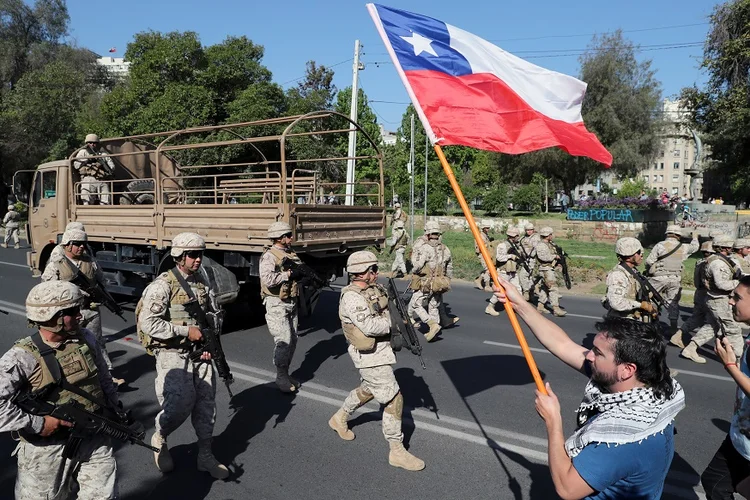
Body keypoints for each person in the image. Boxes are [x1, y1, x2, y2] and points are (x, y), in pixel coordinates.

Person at [493, 280, 685, 499]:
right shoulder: (648, 383)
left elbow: (567, 489)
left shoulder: (621, 438)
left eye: (598, 353)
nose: (589, 355)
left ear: (627, 370)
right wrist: (519, 304)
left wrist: (553, 421)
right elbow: (563, 345)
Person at [0, 281, 121, 498]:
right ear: (54, 317)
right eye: (73, 311)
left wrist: (115, 408)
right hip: (47, 451)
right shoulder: (22, 357)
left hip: (93, 435)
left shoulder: (85, 338)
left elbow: (102, 376)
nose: (81, 315)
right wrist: (38, 423)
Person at [137, 232, 229, 479]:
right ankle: (161, 437)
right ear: (179, 256)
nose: (197, 260)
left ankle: (205, 456)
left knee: (207, 405)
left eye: (200, 254)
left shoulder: (203, 282)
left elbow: (213, 315)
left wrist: (210, 342)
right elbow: (149, 324)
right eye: (192, 255)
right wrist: (185, 331)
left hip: (201, 352)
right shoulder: (162, 285)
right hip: (172, 352)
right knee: (178, 404)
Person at [328, 251, 425, 471]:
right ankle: (397, 450)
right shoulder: (352, 297)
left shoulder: (373, 289)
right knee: (393, 398)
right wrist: (395, 321)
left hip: (380, 351)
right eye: (373, 270)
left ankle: (339, 417)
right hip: (369, 355)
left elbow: (387, 307)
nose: (376, 273)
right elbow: (370, 327)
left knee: (369, 389)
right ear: (363, 273)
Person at [41, 227, 123, 386]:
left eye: (84, 244)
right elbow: (48, 289)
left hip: (90, 310)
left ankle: (106, 375)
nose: (82, 247)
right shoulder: (56, 264)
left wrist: (101, 296)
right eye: (77, 244)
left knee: (97, 342)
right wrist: (74, 292)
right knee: (68, 345)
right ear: (67, 245)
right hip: (68, 314)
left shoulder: (89, 261)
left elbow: (101, 280)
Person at [701, 275, 750, 499]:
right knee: (714, 482)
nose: (731, 301)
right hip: (741, 437)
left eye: (736, 297)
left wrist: (730, 366)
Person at [680, 235, 743, 364]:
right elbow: (721, 284)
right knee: (733, 329)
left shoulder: (720, 260)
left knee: (712, 325)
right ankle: (737, 360)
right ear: (725, 247)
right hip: (719, 300)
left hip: (717, 299)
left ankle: (691, 348)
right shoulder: (718, 263)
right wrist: (739, 283)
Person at [260, 221, 304, 393]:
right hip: (276, 303)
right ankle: (280, 376)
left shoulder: (290, 253)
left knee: (293, 339)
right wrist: (288, 274)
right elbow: (268, 280)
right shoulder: (269, 256)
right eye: (288, 235)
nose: (291, 238)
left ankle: (285, 373)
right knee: (284, 341)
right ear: (280, 238)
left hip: (291, 301)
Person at [408, 220, 458, 341]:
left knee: (415, 304)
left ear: (428, 234)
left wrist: (414, 268)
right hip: (439, 283)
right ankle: (434, 332)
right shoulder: (446, 249)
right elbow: (449, 267)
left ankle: (431, 324)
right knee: (433, 306)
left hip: (426, 282)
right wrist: (446, 279)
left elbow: (417, 266)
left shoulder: (424, 248)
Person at [644, 225, 699, 332]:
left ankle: (649, 324)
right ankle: (673, 328)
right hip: (675, 279)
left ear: (667, 234)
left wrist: (648, 271)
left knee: (648, 299)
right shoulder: (683, 247)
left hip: (658, 278)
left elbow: (649, 261)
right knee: (673, 303)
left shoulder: (660, 245)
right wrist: (695, 236)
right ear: (678, 236)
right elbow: (695, 247)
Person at [670, 241, 714, 348]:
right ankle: (693, 346)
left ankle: (678, 335)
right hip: (709, 294)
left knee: (697, 317)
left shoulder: (699, 262)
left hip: (699, 293)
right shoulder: (713, 263)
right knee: (714, 322)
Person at [603, 237, 657, 322]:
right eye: (639, 253)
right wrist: (641, 305)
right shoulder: (618, 275)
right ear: (629, 256)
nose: (642, 256)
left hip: (632, 320)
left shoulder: (632, 271)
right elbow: (616, 303)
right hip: (620, 323)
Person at [486, 226, 523, 316]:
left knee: (518, 289)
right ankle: (490, 307)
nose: (518, 237)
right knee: (500, 291)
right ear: (513, 236)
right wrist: (510, 256)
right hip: (504, 272)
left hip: (513, 271)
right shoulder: (503, 245)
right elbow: (499, 258)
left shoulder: (515, 245)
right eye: (517, 236)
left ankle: (518, 307)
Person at [532, 227, 567, 317]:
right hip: (545, 269)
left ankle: (540, 306)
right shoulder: (541, 245)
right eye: (551, 234)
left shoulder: (550, 244)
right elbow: (543, 257)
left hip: (549, 268)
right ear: (548, 235)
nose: (552, 236)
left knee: (544, 288)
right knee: (553, 288)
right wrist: (554, 257)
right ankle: (556, 308)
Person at [73, 134, 115, 205]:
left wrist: (102, 164)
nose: (92, 145)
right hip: (88, 179)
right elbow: (76, 165)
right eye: (90, 143)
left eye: (94, 143)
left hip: (102, 179)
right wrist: (88, 160)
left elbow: (112, 167)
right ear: (87, 143)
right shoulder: (83, 152)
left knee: (106, 202)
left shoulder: (103, 154)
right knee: (87, 202)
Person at [519, 223, 540, 300]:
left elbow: (535, 250)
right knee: (529, 277)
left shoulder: (536, 238)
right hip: (524, 259)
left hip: (530, 260)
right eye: (527, 230)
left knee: (523, 276)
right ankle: (531, 291)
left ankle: (526, 291)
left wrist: (527, 254)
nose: (529, 231)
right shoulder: (523, 238)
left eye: (531, 230)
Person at [474, 222, 493, 291]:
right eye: (486, 228)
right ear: (483, 228)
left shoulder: (486, 235)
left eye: (488, 228)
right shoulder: (480, 236)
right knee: (488, 269)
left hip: (486, 254)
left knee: (488, 269)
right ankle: (487, 285)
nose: (488, 229)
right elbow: (481, 246)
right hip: (482, 254)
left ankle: (479, 280)